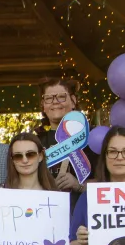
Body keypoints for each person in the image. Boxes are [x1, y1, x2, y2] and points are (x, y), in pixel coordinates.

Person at [33, 78, 99, 207]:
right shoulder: (36, 142)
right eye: (49, 98)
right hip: (46, 211)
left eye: (61, 97)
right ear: (43, 105)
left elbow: (109, 181)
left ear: (73, 101)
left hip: (84, 212)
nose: (55, 102)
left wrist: (79, 185)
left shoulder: (92, 137)